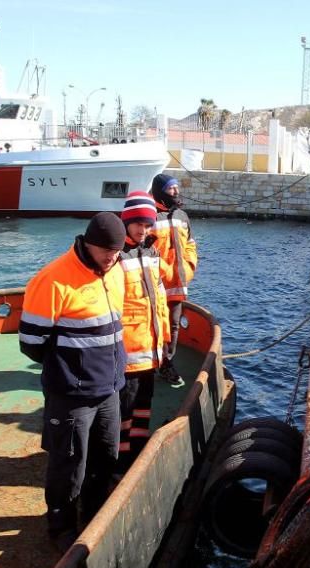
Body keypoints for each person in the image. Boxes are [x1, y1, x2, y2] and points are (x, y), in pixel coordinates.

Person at [19, 212, 128, 551]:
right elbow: (32, 343)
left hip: (109, 388)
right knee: (68, 462)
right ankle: (61, 524)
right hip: (71, 394)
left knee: (105, 456)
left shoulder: (116, 270)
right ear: (87, 243)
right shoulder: (53, 279)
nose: (112, 257)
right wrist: (71, 369)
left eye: (117, 251)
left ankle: (94, 513)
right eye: (106, 251)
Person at [117, 191, 171, 472]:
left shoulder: (151, 252)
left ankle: (137, 452)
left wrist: (164, 342)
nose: (143, 229)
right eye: (138, 223)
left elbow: (159, 300)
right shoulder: (116, 254)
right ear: (126, 221)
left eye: (148, 224)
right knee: (124, 408)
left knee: (143, 404)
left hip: (150, 349)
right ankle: (120, 461)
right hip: (126, 351)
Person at [150, 173, 198, 388]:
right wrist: (163, 271)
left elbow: (190, 245)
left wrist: (188, 267)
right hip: (154, 285)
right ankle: (151, 363)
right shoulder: (149, 215)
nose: (176, 192)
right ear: (160, 191)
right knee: (154, 325)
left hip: (178, 282)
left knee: (174, 325)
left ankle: (167, 363)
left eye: (177, 187)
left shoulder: (182, 216)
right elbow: (142, 250)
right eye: (171, 188)